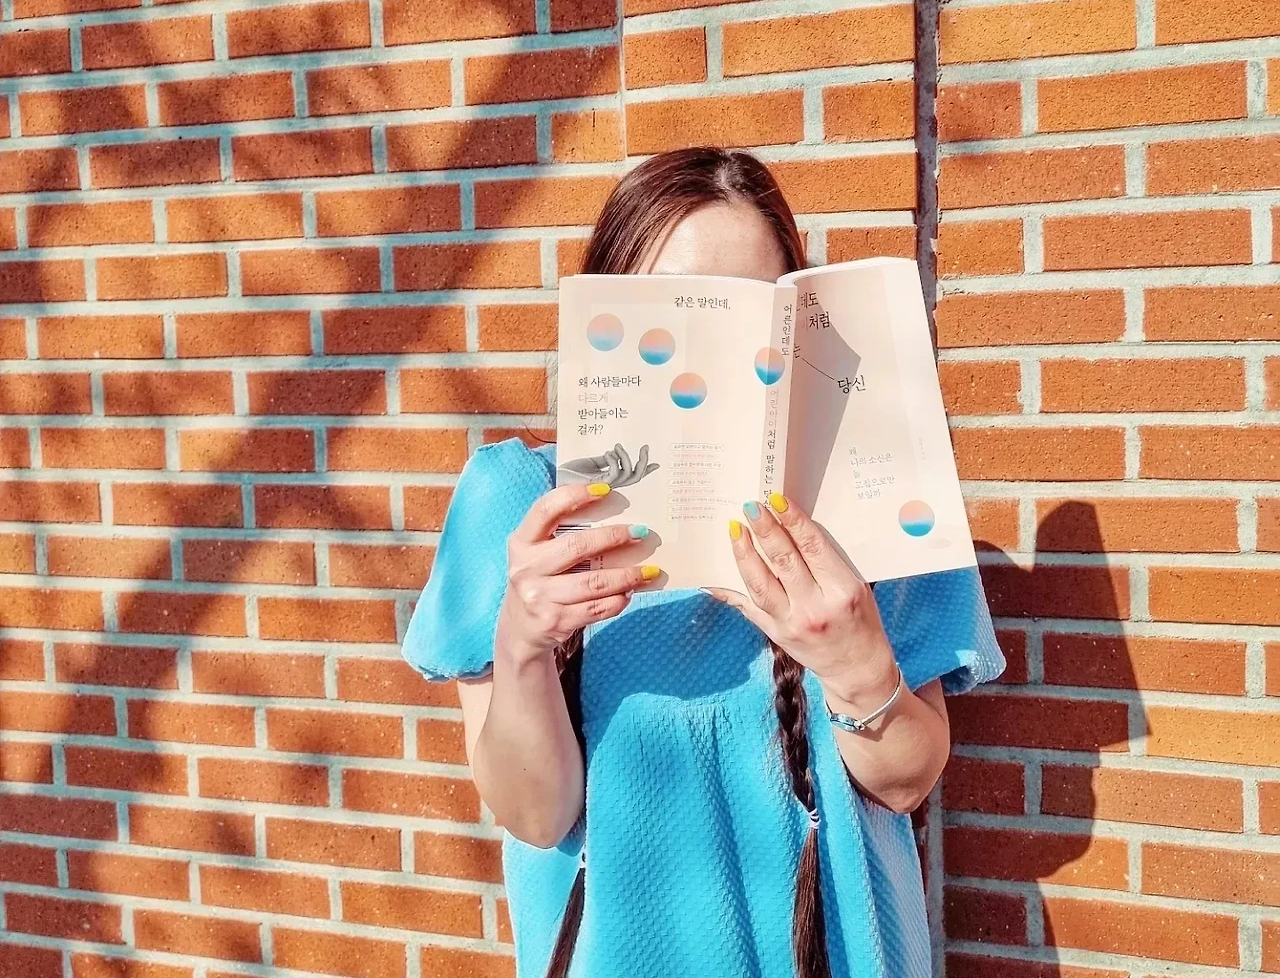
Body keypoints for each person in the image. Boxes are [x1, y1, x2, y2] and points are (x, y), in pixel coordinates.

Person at [402, 147, 1006, 978]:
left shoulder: (867, 502)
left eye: (747, 312)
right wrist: (522, 643)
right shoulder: (517, 502)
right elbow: (536, 818)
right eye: (675, 309)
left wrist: (855, 663)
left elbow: (905, 784)